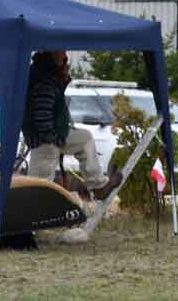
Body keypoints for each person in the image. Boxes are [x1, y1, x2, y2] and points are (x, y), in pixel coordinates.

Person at [24, 50, 122, 200]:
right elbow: (42, 114)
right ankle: (31, 218)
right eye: (63, 57)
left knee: (85, 139)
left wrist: (62, 78)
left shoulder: (46, 74)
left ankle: (98, 186)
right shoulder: (45, 79)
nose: (66, 59)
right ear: (53, 57)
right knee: (38, 191)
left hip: (53, 135)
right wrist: (53, 138)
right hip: (44, 140)